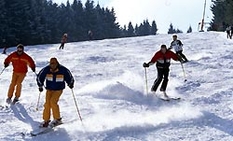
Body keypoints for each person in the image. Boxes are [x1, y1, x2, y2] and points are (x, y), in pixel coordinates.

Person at [36, 57, 74, 127]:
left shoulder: (63, 70)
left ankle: (57, 119)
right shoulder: (46, 69)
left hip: (58, 90)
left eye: (54, 64)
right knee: (47, 103)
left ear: (57, 63)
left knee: (53, 102)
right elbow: (39, 77)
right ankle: (46, 120)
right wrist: (40, 85)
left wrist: (70, 83)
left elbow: (69, 77)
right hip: (49, 89)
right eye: (51, 64)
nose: (52, 65)